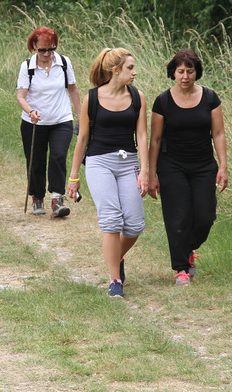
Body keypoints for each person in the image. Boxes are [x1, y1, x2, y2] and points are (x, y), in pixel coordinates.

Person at [67, 48, 148, 299]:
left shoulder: (138, 97)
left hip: (129, 163)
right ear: (116, 71)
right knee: (112, 220)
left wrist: (145, 171)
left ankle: (116, 256)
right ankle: (115, 280)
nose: (134, 72)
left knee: (134, 224)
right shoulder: (92, 99)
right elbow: (82, 139)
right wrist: (73, 177)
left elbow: (142, 136)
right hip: (99, 162)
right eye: (130, 68)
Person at [147, 49, 228, 286]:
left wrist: (223, 166)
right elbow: (155, 140)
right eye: (180, 71)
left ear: (196, 73)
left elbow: (219, 133)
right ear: (173, 73)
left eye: (190, 71)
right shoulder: (162, 101)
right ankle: (181, 267)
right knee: (178, 216)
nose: (185, 76)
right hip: (172, 165)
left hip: (203, 165)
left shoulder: (210, 98)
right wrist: (152, 173)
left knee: (205, 216)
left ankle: (188, 248)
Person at [16, 26, 81, 217]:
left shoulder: (63, 63)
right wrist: (31, 111)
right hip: (33, 123)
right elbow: (21, 96)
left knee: (58, 156)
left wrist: (80, 115)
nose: (47, 54)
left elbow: (73, 89)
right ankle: (37, 196)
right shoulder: (26, 67)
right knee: (35, 161)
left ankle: (57, 198)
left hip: (61, 119)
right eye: (42, 49)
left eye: (51, 49)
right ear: (34, 46)